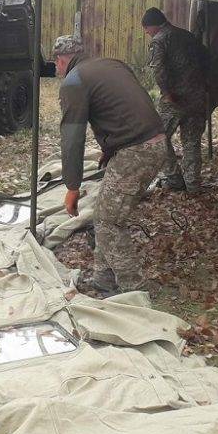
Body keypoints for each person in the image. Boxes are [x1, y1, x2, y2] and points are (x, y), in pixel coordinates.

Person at [54, 35, 164, 296]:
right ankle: (104, 277)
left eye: (56, 66)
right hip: (157, 143)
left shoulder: (74, 81)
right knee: (106, 211)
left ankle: (133, 289)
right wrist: (111, 149)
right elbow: (126, 107)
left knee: (108, 221)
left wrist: (72, 186)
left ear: (60, 61)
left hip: (137, 150)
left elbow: (72, 138)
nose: (57, 71)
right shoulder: (112, 64)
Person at [142, 7, 208, 192]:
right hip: (197, 98)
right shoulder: (188, 36)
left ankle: (174, 179)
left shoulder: (159, 40)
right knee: (192, 142)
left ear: (153, 26)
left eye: (146, 29)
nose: (146, 33)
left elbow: (158, 70)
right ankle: (193, 184)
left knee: (158, 138)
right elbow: (207, 59)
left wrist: (167, 92)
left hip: (175, 99)